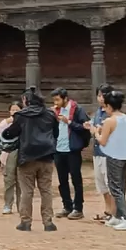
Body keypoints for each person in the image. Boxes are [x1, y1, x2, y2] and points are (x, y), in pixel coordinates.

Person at [0, 88, 59, 232]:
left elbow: (11, 132)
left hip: (27, 156)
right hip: (46, 156)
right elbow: (55, 133)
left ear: (26, 101)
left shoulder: (21, 115)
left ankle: (26, 222)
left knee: (27, 191)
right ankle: (48, 222)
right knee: (46, 190)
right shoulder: (50, 114)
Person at [95, 89, 126, 231]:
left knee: (115, 188)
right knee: (121, 187)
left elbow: (103, 141)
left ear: (109, 106)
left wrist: (95, 133)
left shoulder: (110, 120)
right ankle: (118, 216)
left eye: (106, 106)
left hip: (114, 156)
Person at [50, 88, 89, 220]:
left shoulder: (77, 109)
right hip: (58, 149)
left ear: (65, 98)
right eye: (54, 100)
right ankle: (67, 206)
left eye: (57, 99)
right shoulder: (54, 111)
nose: (55, 102)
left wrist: (70, 123)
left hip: (72, 149)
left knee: (76, 179)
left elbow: (85, 127)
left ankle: (78, 208)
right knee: (62, 180)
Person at [87, 85, 114, 223]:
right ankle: (107, 209)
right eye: (98, 95)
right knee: (101, 183)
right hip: (97, 151)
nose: (100, 98)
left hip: (107, 152)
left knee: (109, 183)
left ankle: (114, 212)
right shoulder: (98, 112)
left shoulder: (111, 113)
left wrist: (96, 131)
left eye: (102, 95)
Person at [0, 102, 21, 215]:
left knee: (21, 182)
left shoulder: (24, 122)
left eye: (17, 109)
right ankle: (8, 205)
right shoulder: (6, 122)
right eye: (12, 110)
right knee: (9, 181)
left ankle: (21, 206)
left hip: (21, 154)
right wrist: (6, 122)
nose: (14, 112)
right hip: (7, 155)